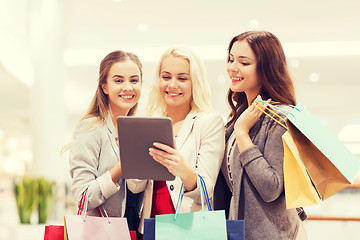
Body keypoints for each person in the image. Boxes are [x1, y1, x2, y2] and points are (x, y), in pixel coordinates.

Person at [213, 31, 308, 239]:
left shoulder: (281, 117)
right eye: (231, 59)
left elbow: (271, 188)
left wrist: (242, 133)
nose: (233, 68)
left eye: (244, 63)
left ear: (266, 68)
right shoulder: (239, 116)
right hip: (241, 232)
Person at [128, 47, 225, 233]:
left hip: (188, 228)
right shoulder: (150, 120)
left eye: (182, 78)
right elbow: (134, 186)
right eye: (166, 77)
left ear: (194, 82)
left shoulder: (209, 122)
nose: (172, 85)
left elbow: (205, 192)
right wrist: (132, 157)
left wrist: (181, 169)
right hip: (150, 226)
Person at [68, 50, 143, 234]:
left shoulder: (138, 131)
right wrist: (120, 168)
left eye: (134, 80)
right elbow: (82, 198)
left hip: (133, 230)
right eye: (119, 80)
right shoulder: (91, 128)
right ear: (105, 87)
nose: (128, 87)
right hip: (100, 233)